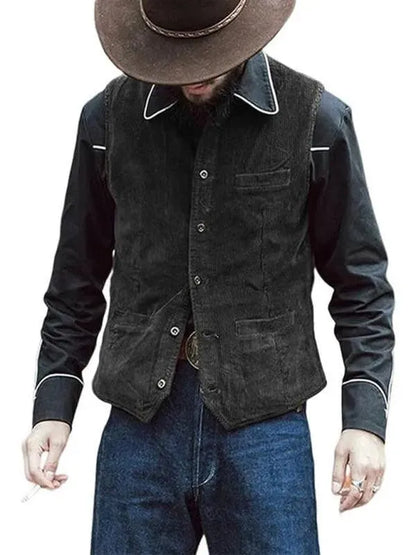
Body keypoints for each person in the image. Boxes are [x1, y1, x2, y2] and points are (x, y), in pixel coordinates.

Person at [22, 0, 395, 552]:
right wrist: (53, 402)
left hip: (265, 429)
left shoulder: (315, 119)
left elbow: (360, 283)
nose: (193, 75)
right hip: (139, 427)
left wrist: (364, 419)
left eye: (208, 54)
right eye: (178, 55)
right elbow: (77, 277)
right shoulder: (107, 120)